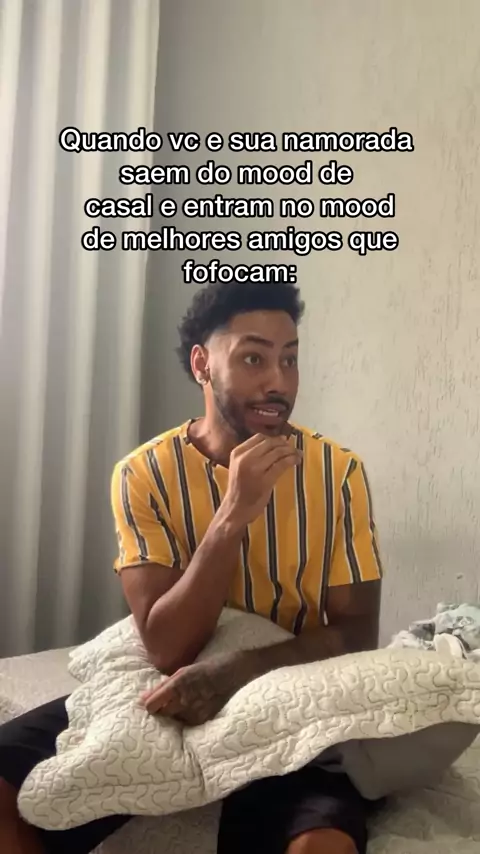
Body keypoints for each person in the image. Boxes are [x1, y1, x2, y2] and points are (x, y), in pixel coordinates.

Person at [0, 279, 383, 854]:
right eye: (253, 358)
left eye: (290, 359)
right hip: (167, 690)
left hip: (292, 698)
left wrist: (236, 671)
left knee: (322, 845)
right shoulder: (142, 474)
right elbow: (165, 647)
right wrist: (232, 516)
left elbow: (357, 633)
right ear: (203, 365)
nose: (279, 382)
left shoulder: (337, 472)